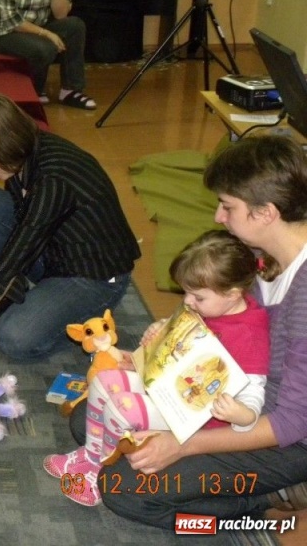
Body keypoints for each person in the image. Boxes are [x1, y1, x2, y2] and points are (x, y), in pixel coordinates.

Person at [64, 135, 307, 528]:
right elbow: (200, 319)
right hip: (220, 397)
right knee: (89, 420)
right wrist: (146, 361)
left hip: (283, 435)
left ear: (266, 213)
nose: (218, 217)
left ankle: (261, 505)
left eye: (228, 207)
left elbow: (291, 423)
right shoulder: (257, 253)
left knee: (125, 491)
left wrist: (183, 446)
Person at [45, 229, 270, 506]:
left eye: (197, 297)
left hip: (197, 415)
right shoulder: (210, 307)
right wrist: (160, 332)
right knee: (104, 381)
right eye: (186, 292)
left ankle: (95, 471)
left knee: (123, 406)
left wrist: (243, 414)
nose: (188, 301)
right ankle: (91, 455)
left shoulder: (250, 335)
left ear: (233, 294)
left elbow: (254, 389)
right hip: (168, 388)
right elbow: (180, 341)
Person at [0, 92, 140, 364]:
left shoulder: (53, 179)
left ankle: (82, 324)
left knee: (15, 337)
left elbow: (14, 257)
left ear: (8, 144)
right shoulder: (26, 152)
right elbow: (26, 211)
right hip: (54, 248)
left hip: (93, 276)